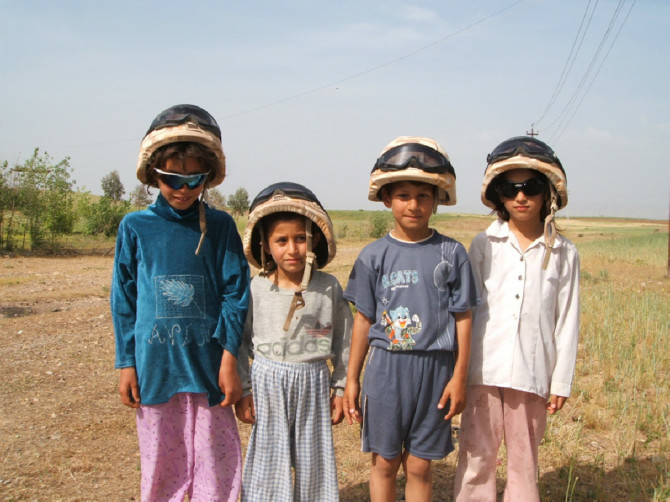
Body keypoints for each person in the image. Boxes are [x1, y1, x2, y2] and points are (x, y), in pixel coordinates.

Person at [111, 104, 250, 502]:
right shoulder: (135, 226)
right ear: (155, 174)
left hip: (209, 371)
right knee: (160, 470)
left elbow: (235, 292)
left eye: (195, 179)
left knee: (217, 468)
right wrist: (126, 363)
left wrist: (228, 360)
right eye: (173, 178)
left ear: (208, 176)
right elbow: (124, 299)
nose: (184, 189)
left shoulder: (220, 226)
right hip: (156, 370)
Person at [342, 137, 479, 502]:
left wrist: (460, 376)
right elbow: (363, 320)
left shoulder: (452, 253)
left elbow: (463, 316)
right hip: (386, 371)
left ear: (436, 200)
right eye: (403, 195)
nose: (414, 205)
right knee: (385, 463)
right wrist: (351, 378)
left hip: (436, 371)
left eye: (423, 195)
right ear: (387, 199)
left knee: (420, 466)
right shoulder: (373, 256)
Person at [454, 136, 580, 501]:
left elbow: (567, 318)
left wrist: (562, 380)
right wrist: (460, 370)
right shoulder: (483, 244)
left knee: (525, 461)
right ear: (498, 195)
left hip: (533, 371)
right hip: (483, 369)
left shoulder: (564, 253)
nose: (521, 197)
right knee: (477, 454)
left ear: (548, 193)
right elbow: (468, 309)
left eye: (531, 187)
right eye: (510, 188)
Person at [235, 182, 353, 501]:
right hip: (267, 384)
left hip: (313, 383)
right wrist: (244, 389)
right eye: (282, 240)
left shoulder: (328, 288)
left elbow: (345, 342)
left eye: (300, 238)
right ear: (265, 244)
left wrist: (340, 388)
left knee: (314, 459)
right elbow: (240, 344)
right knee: (268, 459)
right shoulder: (256, 288)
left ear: (314, 239)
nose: (292, 249)